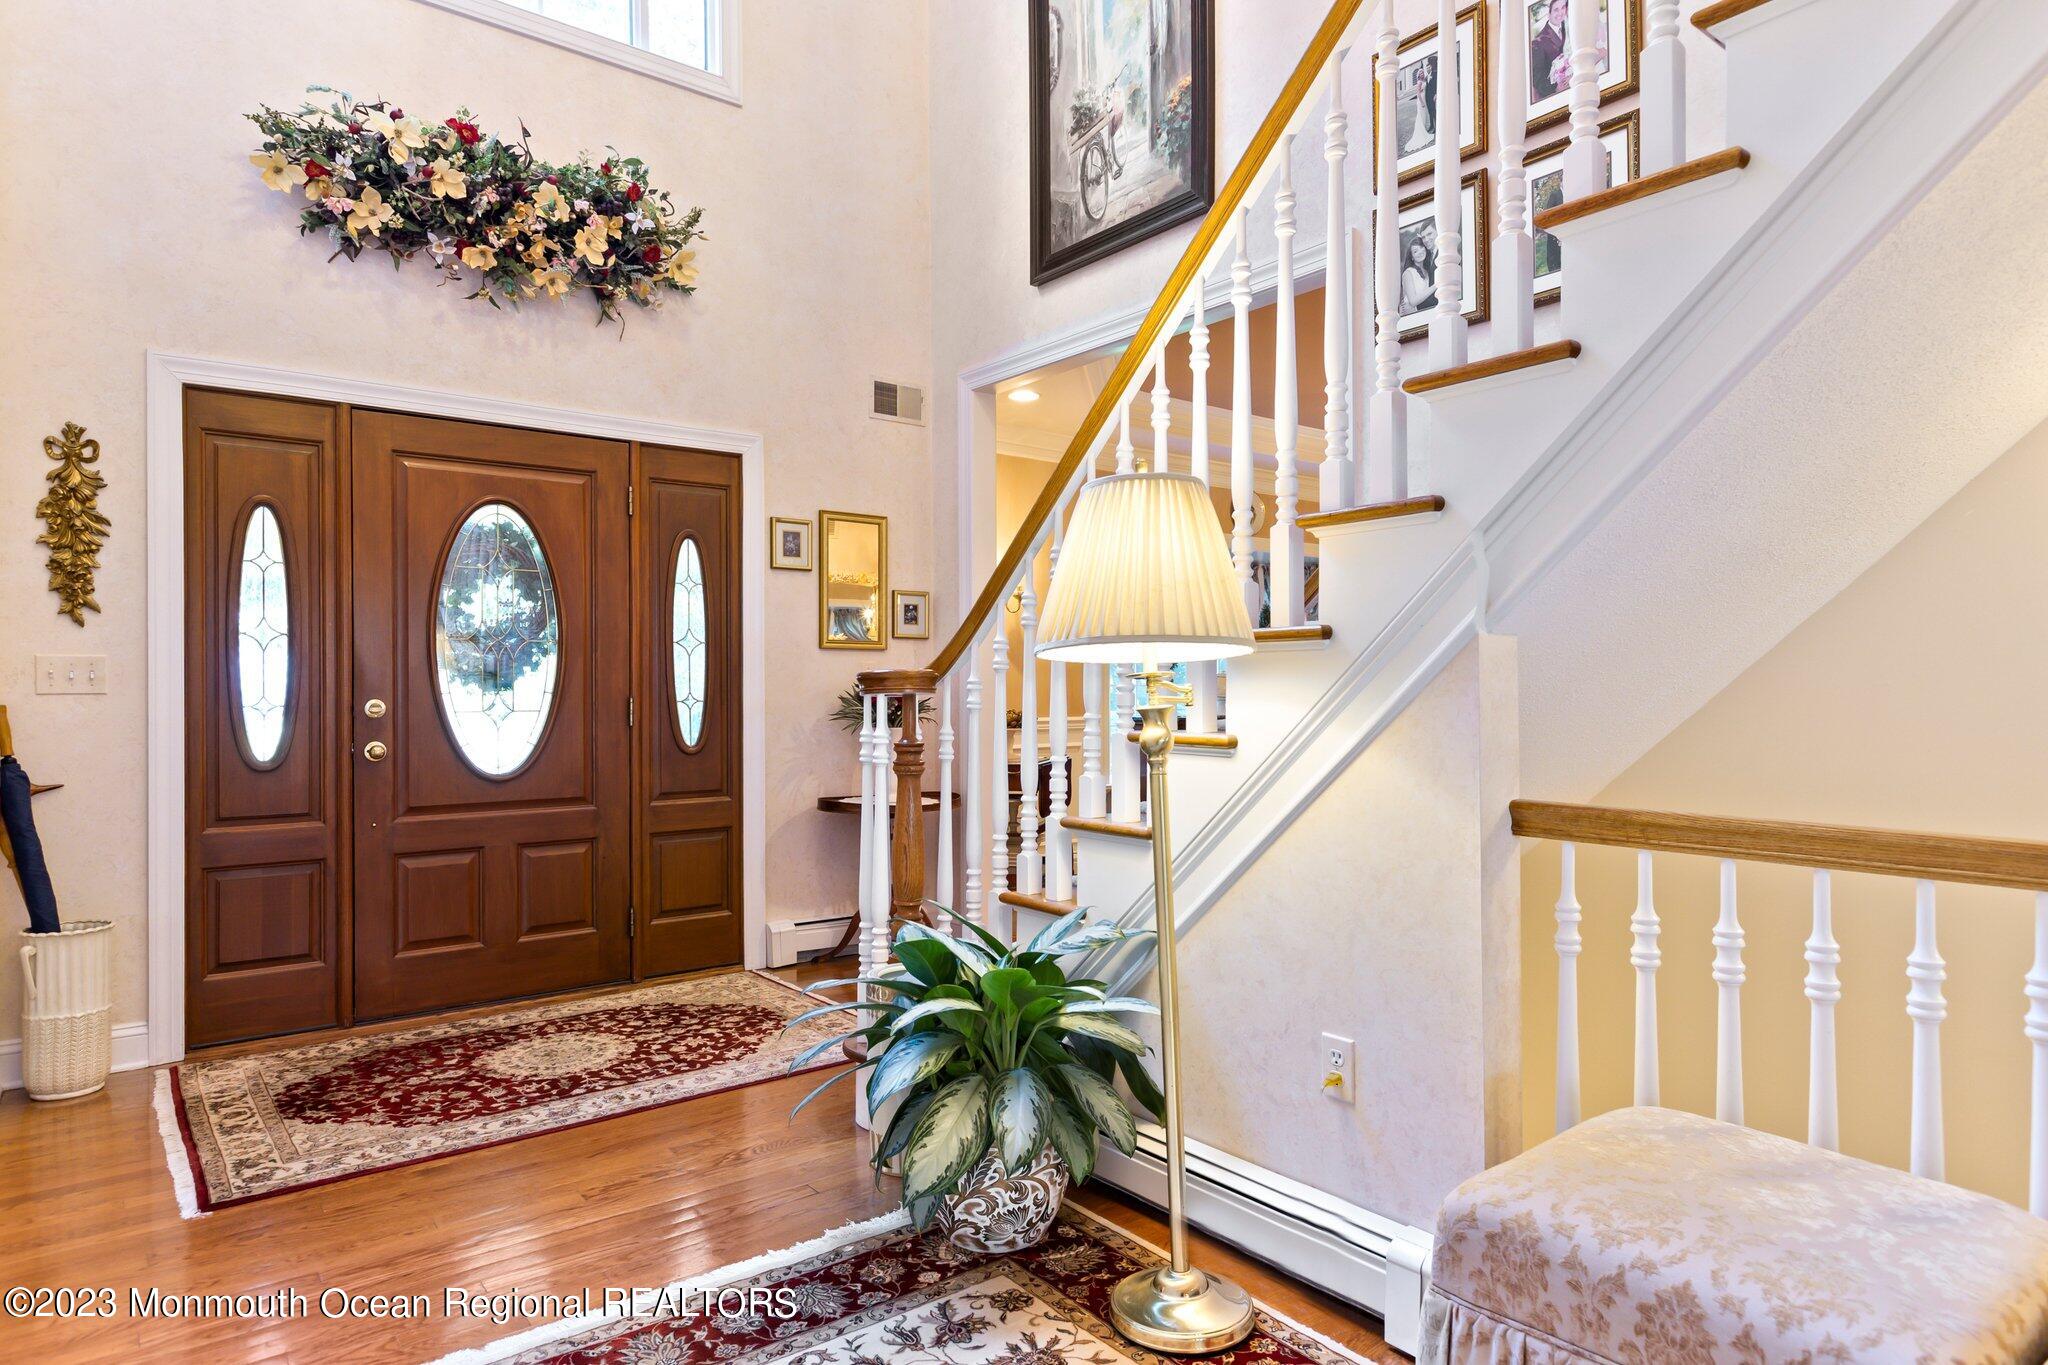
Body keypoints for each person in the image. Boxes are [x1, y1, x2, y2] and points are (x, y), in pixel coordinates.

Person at [1531, 0, 1570, 102]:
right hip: (1557, 97)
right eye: (1556, 10)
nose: (1560, 12)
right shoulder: (1538, 42)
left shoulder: (1568, 30)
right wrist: (1555, 88)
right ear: (1548, 15)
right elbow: (1537, 78)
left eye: (1563, 8)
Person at [1400, 235, 1437, 313]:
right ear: (1412, 257)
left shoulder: (1428, 271)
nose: (1420, 252)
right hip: (1411, 315)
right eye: (1415, 251)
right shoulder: (1408, 273)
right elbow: (1413, 301)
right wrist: (1436, 285)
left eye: (1421, 247)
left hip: (1425, 312)